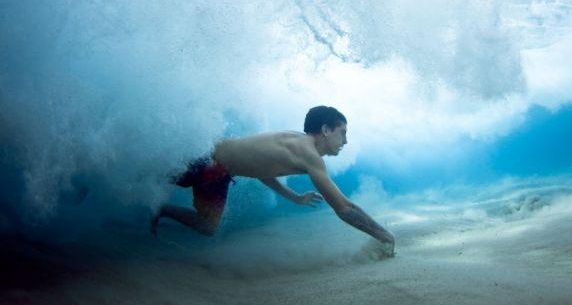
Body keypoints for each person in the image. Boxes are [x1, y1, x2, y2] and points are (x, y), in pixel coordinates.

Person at [151, 106, 395, 255]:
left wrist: (295, 197)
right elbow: (344, 208)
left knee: (204, 223)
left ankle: (159, 207)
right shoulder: (308, 155)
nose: (346, 140)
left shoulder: (298, 144)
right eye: (343, 132)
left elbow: (261, 169)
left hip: (215, 167)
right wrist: (385, 236)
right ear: (326, 129)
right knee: (154, 177)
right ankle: (150, 194)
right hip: (209, 164)